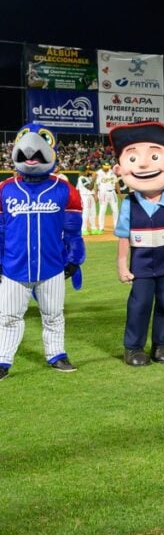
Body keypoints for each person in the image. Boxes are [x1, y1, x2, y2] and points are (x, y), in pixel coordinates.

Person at [0, 124, 85, 379]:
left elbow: (72, 231)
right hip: (14, 266)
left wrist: (74, 258)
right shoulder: (5, 189)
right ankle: (3, 360)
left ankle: (57, 355)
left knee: (54, 315)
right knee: (8, 316)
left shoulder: (64, 189)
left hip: (52, 265)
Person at [112, 122, 164, 367]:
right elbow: (123, 237)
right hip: (141, 265)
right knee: (139, 305)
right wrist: (122, 265)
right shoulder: (130, 203)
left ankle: (162, 344)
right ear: (120, 168)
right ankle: (133, 347)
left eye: (154, 156)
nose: (142, 165)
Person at [95, 161, 120, 233]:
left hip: (112, 193)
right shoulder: (99, 173)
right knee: (102, 210)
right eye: (105, 167)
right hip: (103, 193)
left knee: (115, 210)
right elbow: (96, 185)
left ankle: (116, 227)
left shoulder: (112, 173)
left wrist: (119, 193)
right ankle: (101, 227)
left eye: (108, 167)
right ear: (102, 166)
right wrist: (96, 195)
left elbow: (116, 183)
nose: (107, 169)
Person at [76, 167, 99, 235]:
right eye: (86, 170)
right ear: (83, 171)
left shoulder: (85, 178)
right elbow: (90, 187)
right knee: (86, 213)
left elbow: (77, 188)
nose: (87, 171)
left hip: (90, 196)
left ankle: (93, 228)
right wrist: (93, 179)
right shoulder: (82, 179)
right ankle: (83, 229)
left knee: (93, 212)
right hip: (85, 197)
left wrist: (95, 195)